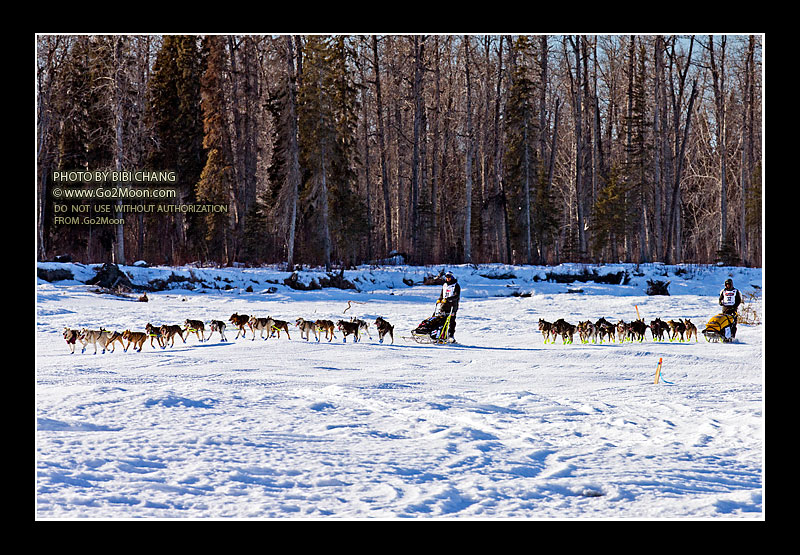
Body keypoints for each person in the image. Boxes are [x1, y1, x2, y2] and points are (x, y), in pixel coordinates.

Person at [436, 271, 460, 341]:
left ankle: (451, 335)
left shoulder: (456, 285)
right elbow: (442, 294)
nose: (447, 279)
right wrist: (440, 299)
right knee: (442, 320)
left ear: (452, 277)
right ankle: (442, 335)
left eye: (449, 277)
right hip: (444, 306)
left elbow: (456, 296)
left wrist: (448, 299)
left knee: (451, 321)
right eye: (446, 277)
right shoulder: (445, 285)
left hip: (452, 306)